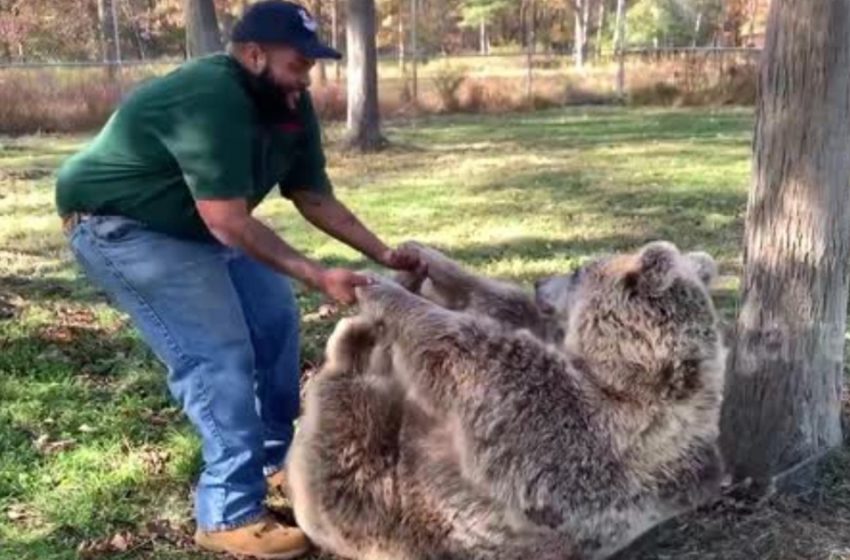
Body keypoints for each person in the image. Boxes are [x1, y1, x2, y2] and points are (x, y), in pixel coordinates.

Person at [54, 1, 420, 558]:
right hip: (120, 224)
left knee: (275, 322)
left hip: (197, 225)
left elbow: (312, 195)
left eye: (312, 66)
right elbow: (227, 220)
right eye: (298, 64)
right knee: (219, 356)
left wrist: (384, 254)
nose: (307, 77)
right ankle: (227, 511)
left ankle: (274, 462)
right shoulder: (212, 97)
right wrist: (317, 273)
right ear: (253, 55)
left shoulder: (287, 102)